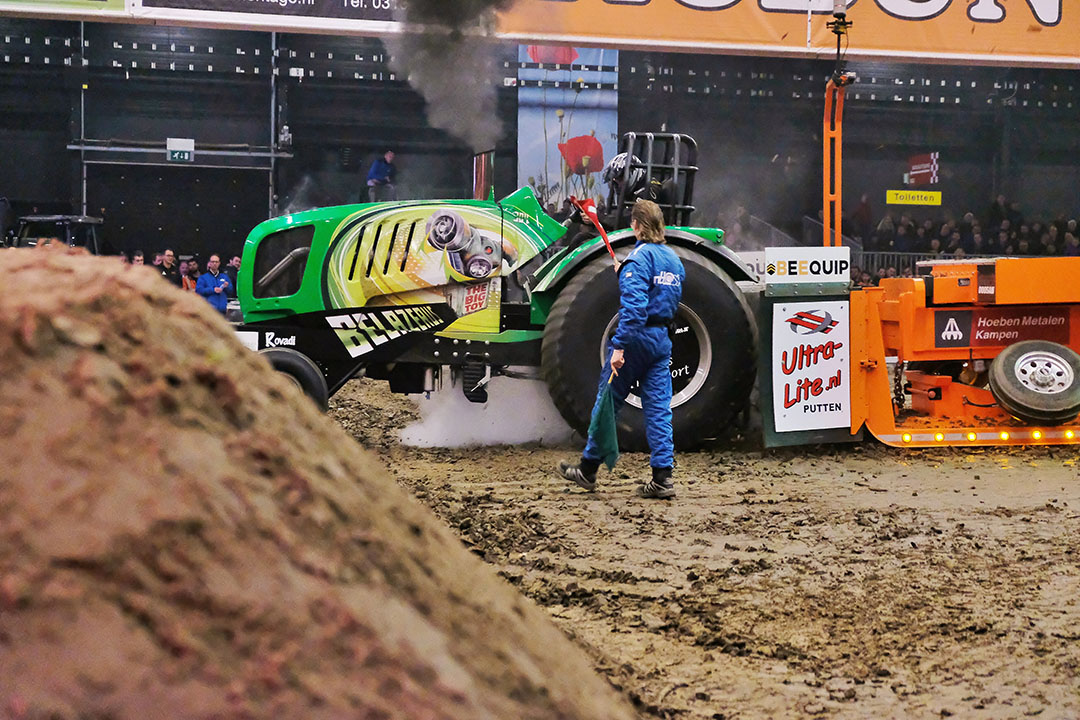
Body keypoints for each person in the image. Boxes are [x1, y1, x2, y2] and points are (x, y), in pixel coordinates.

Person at [557, 199, 686, 500]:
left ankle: (588, 470)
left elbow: (635, 309)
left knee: (608, 404)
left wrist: (619, 347)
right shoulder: (674, 260)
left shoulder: (638, 259)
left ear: (636, 226)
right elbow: (665, 297)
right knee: (658, 408)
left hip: (636, 339)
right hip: (661, 341)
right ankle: (662, 478)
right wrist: (624, 274)